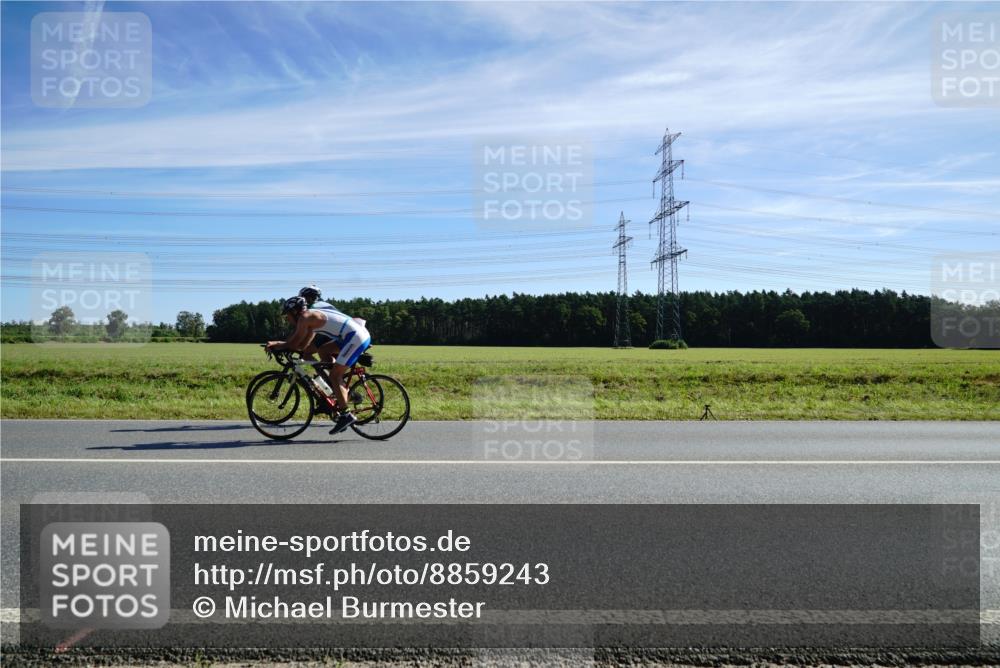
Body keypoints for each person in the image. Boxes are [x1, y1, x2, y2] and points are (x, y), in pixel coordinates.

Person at [267, 296, 371, 434]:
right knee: (323, 350)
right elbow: (303, 345)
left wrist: (277, 345)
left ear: (294, 312)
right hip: (349, 337)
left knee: (335, 376)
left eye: (287, 315)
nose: (287, 319)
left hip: (355, 337)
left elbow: (294, 342)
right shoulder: (310, 319)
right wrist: (288, 348)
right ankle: (335, 389)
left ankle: (346, 414)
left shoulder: (305, 317)